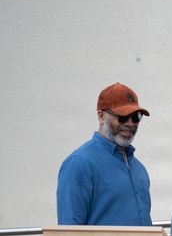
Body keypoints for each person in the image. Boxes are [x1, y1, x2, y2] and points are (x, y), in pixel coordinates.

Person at [57, 83, 152, 226]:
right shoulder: (79, 163)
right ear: (101, 116)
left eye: (135, 117)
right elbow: (69, 231)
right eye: (122, 117)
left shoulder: (138, 168)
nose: (130, 123)